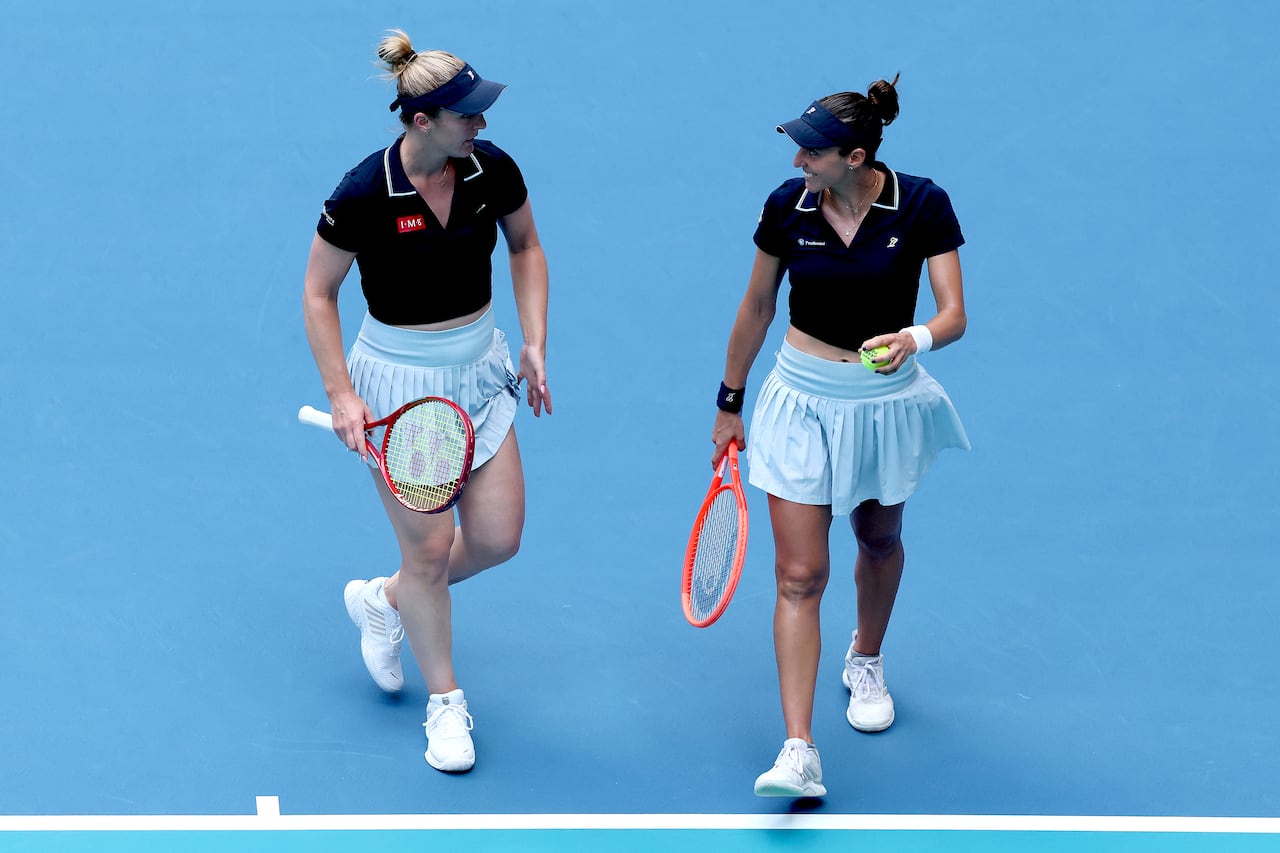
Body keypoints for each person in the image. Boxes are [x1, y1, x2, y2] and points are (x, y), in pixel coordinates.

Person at [710, 75, 969, 798]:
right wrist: (729, 402)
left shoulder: (922, 203)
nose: (798, 163)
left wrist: (912, 338)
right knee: (799, 575)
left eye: (812, 153)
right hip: (801, 398)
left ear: (856, 156)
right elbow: (758, 303)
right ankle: (799, 749)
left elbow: (953, 314)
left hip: (885, 400)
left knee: (879, 540)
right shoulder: (785, 207)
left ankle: (867, 656)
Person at [302, 29, 550, 773]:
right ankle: (445, 704)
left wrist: (534, 340)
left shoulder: (491, 168)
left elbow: (527, 247)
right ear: (421, 121)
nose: (481, 125)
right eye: (467, 115)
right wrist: (341, 394)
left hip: (480, 369)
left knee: (500, 537)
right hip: (399, 385)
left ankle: (385, 599)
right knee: (433, 551)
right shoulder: (361, 193)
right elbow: (319, 293)